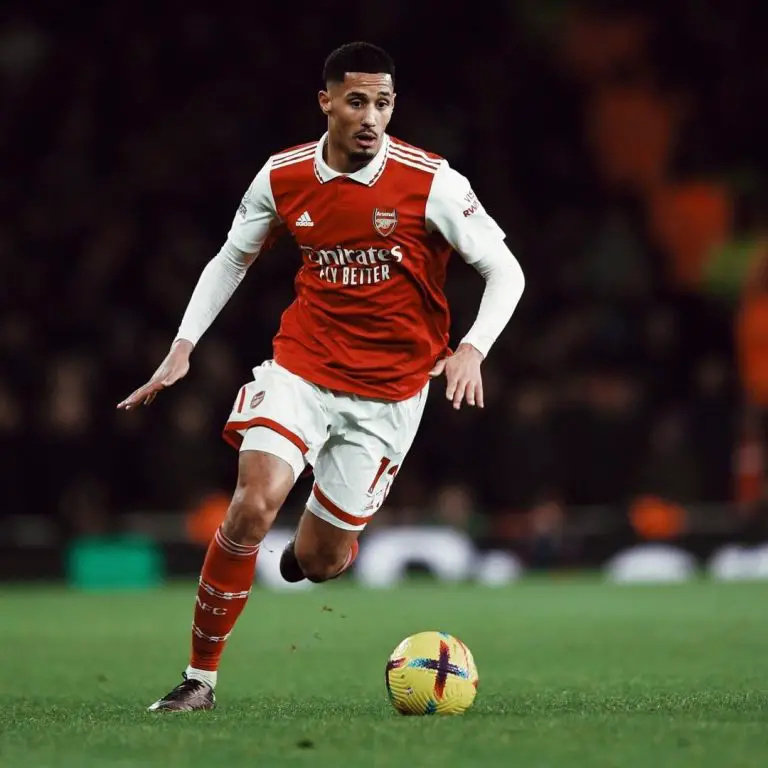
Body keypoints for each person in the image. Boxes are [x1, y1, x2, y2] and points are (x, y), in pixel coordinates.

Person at [117, 41, 525, 712]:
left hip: (390, 394)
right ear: (326, 102)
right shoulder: (283, 177)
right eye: (357, 102)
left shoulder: (432, 182)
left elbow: (506, 271)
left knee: (321, 561)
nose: (371, 117)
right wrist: (182, 346)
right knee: (253, 503)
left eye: (383, 103)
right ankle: (200, 680)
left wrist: (474, 349)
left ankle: (312, 553)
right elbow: (231, 258)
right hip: (302, 367)